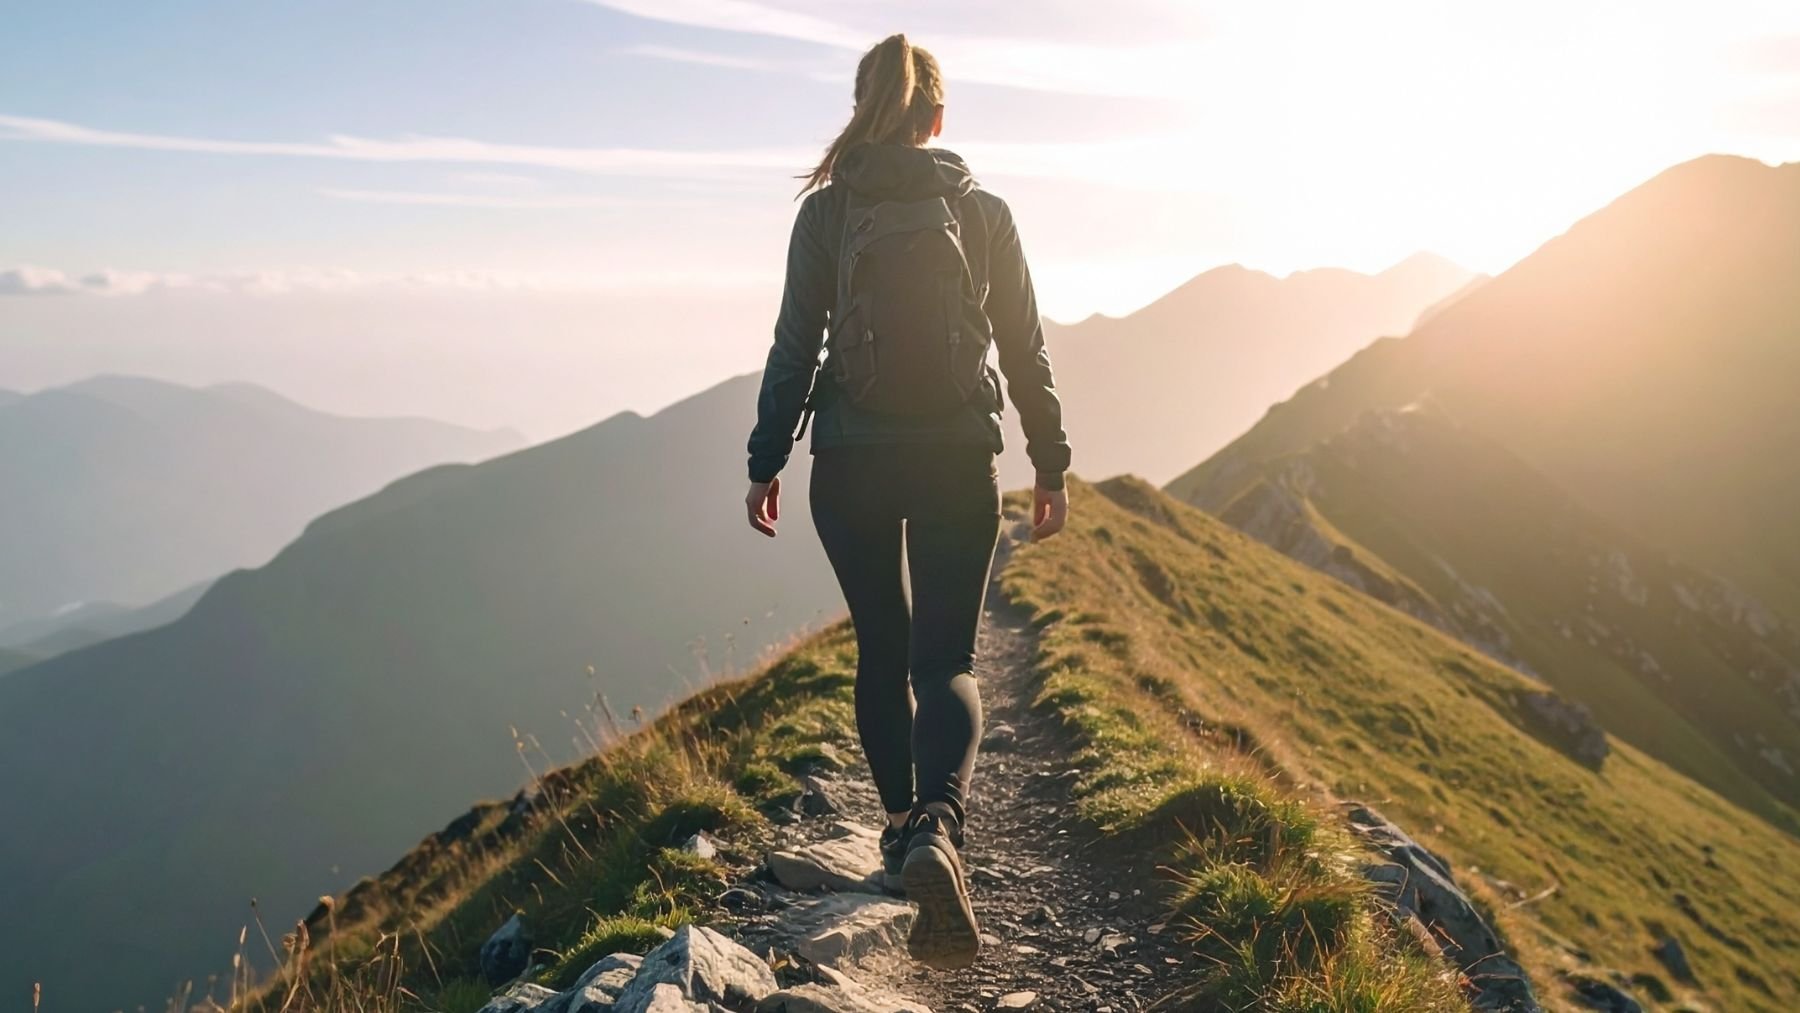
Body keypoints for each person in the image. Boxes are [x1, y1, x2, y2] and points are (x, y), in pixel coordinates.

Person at [743, 33, 1071, 971]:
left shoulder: (825, 214)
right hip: (958, 459)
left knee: (881, 652)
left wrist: (766, 459)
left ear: (862, 108)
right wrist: (1049, 464)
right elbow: (1026, 350)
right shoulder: (986, 212)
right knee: (946, 660)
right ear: (939, 117)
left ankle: (898, 833)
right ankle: (939, 826)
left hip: (848, 463)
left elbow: (793, 348)